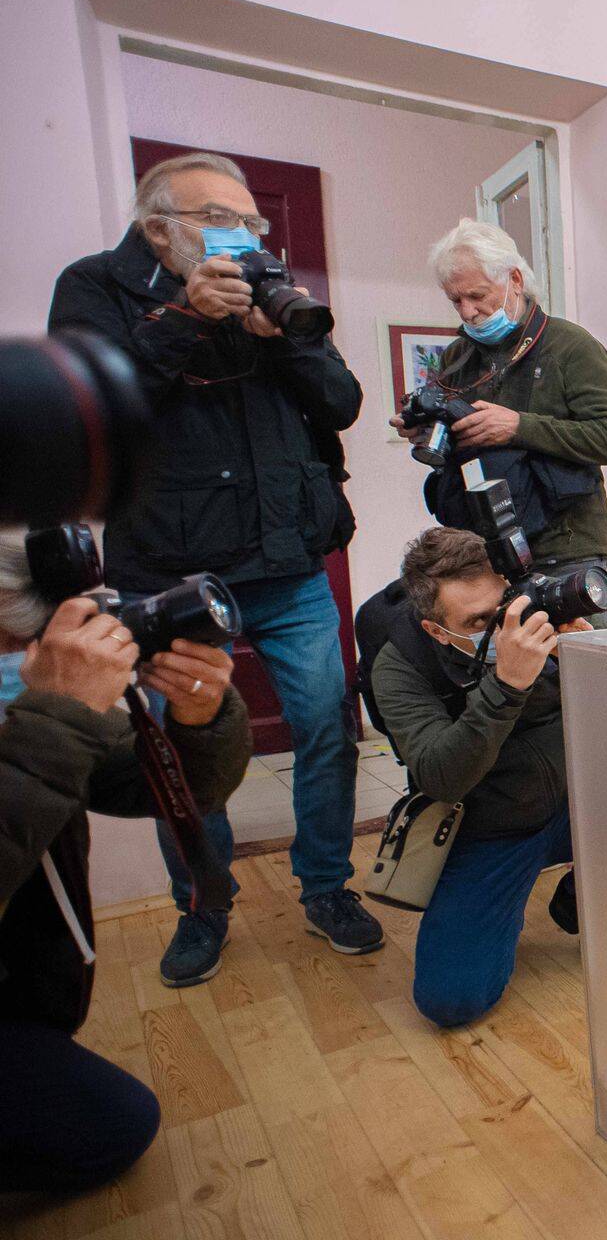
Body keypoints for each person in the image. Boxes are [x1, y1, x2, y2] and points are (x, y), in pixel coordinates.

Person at [47, 151, 377, 986]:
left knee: (328, 732)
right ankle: (205, 904)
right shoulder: (95, 286)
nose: (244, 236)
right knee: (183, 753)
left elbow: (341, 403)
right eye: (219, 219)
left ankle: (328, 889)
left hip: (290, 567)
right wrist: (188, 319)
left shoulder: (270, 287)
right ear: (159, 227)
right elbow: (87, 409)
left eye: (252, 221)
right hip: (169, 576)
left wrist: (283, 338)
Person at [1, 538, 249, 1195]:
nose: (36, 659)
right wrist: (53, 720)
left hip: (24, 997)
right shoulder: (34, 718)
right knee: (115, 1129)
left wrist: (202, 716)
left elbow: (172, 788)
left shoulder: (22, 713)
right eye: (14, 641)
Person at [371, 528, 592, 1027]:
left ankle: (584, 897)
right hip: (493, 829)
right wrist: (507, 684)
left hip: (579, 807)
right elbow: (440, 776)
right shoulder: (400, 665)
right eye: (477, 622)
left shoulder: (542, 616)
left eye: (502, 610)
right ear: (436, 630)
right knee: (451, 999)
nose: (503, 630)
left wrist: (595, 663)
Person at [394, 220, 607, 619]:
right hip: (484, 552)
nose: (468, 311)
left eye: (477, 295)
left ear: (515, 280)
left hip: (565, 552)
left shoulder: (570, 346)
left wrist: (518, 427)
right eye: (456, 301)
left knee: (578, 676)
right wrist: (426, 431)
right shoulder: (457, 358)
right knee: (509, 675)